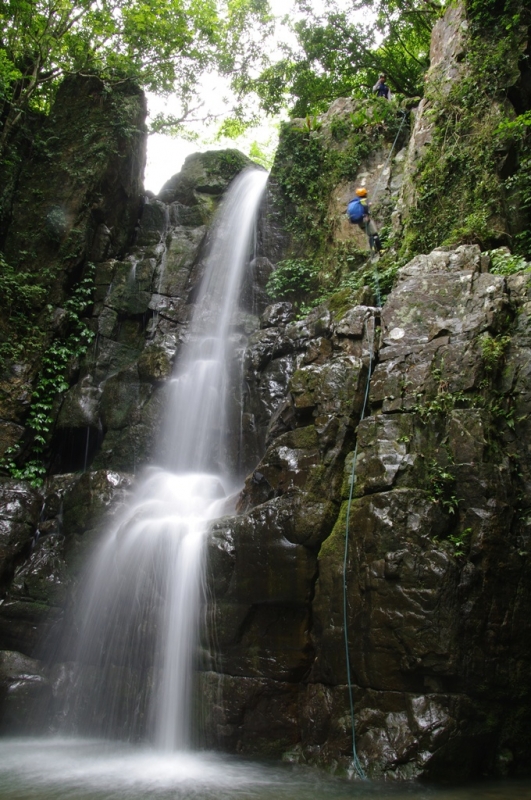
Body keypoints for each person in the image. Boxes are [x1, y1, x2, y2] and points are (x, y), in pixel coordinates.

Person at [346, 188, 382, 253]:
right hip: (365, 220)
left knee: (370, 235)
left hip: (359, 222)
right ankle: (380, 250)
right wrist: (369, 207)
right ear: (365, 194)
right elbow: (366, 209)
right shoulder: (363, 200)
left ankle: (373, 251)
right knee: (375, 234)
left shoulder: (354, 201)